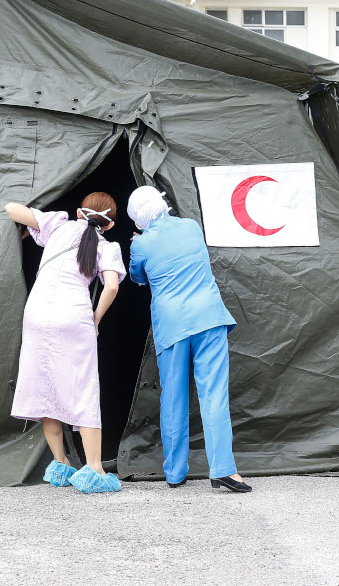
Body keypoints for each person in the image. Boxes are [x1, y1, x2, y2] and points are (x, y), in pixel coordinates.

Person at [127, 186, 251, 493]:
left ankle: (175, 472)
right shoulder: (191, 227)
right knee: (214, 395)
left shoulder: (141, 244)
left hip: (172, 325)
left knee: (174, 398)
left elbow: (138, 278)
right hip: (209, 317)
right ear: (162, 204)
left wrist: (138, 245)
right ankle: (224, 469)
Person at [5, 193, 126, 494]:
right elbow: (111, 285)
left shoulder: (57, 224)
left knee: (46, 384)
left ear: (77, 211)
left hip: (36, 312)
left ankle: (60, 463)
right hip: (73, 316)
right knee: (83, 389)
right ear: (110, 225)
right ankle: (94, 468)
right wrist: (95, 320)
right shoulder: (108, 246)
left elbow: (12, 208)